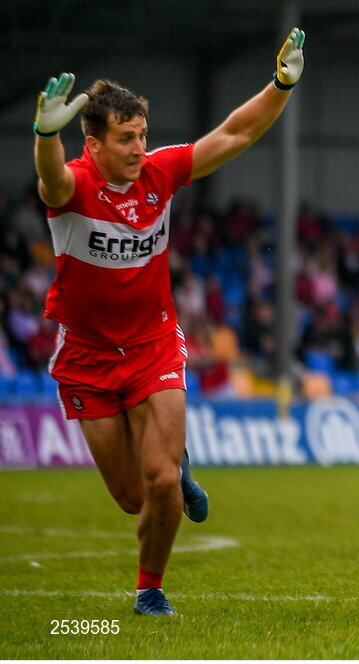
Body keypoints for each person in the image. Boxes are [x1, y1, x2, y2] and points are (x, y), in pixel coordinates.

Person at [34, 28, 306, 616]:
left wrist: (281, 84)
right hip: (86, 356)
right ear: (94, 144)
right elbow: (49, 179)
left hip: (155, 343)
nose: (139, 148)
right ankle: (175, 464)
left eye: (143, 136)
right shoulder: (75, 185)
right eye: (126, 139)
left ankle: (149, 590)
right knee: (135, 498)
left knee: (160, 488)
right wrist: (44, 136)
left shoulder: (160, 173)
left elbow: (236, 131)